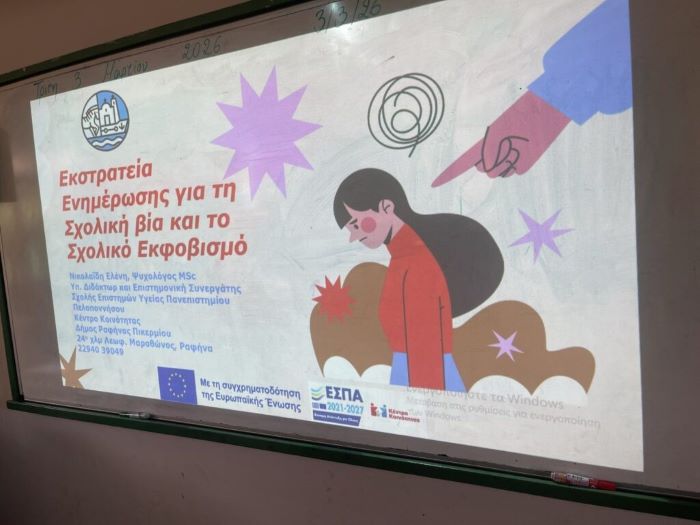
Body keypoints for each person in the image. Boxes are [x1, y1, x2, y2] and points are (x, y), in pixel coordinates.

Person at [333, 169, 503, 390]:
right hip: (416, 371)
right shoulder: (403, 259)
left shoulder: (414, 264)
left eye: (357, 224)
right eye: (350, 229)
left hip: (422, 374)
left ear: (387, 207)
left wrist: (420, 399)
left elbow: (424, 345)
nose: (354, 236)